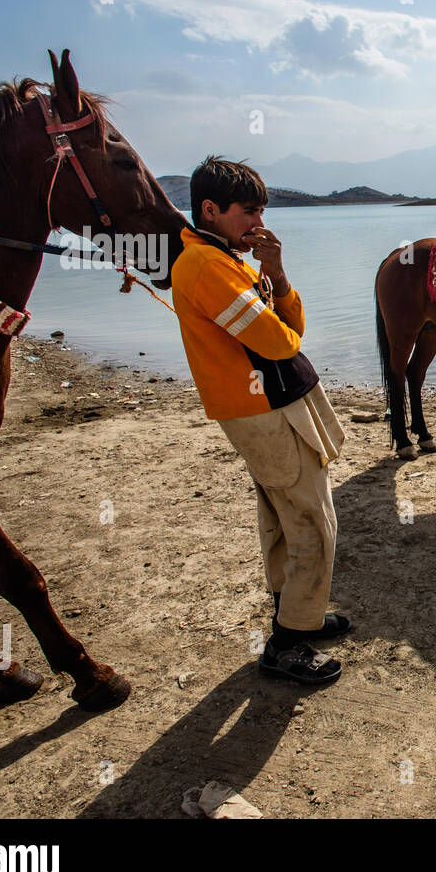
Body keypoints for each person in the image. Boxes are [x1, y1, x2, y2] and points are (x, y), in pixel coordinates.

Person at [171, 156, 350, 685]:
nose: (259, 223)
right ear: (210, 210)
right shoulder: (209, 268)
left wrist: (274, 275)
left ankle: (297, 614)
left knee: (280, 516)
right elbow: (279, 341)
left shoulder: (223, 259)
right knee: (314, 521)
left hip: (261, 403)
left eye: (261, 211)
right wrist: (272, 292)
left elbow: (289, 324)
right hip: (264, 408)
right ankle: (289, 644)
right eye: (248, 212)